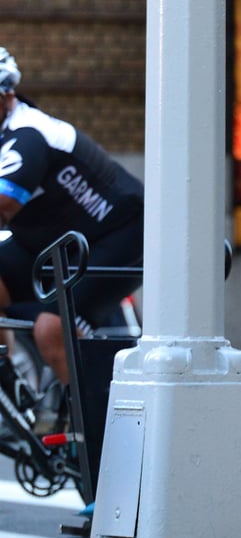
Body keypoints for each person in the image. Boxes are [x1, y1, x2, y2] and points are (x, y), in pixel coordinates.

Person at [0, 47, 144, 387]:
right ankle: (12, 389)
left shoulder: (27, 134)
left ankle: (96, 433)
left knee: (51, 330)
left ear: (6, 94)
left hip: (119, 233)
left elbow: (4, 205)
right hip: (56, 239)